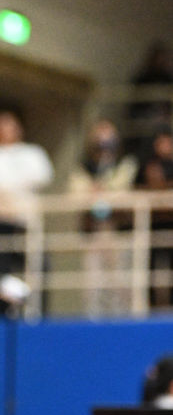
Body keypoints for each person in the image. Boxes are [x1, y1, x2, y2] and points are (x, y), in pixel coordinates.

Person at [0, 110, 53, 313]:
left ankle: (38, 314)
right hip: (0, 222)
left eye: (11, 126)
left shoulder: (33, 152)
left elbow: (44, 175)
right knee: (2, 273)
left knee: (40, 266)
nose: (7, 131)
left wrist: (14, 181)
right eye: (2, 127)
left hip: (27, 222)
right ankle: (3, 314)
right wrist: (24, 181)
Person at [67, 119, 136, 317]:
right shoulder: (83, 168)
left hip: (117, 230)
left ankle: (121, 319)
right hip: (93, 230)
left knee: (120, 280)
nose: (104, 147)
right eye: (99, 141)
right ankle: (93, 320)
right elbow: (75, 195)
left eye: (108, 141)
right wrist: (93, 191)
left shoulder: (124, 164)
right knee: (92, 282)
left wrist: (105, 189)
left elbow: (123, 191)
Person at [134, 126, 173, 308]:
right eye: (160, 141)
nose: (164, 145)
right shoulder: (147, 164)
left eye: (167, 141)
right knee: (149, 266)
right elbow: (135, 188)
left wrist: (163, 186)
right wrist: (153, 186)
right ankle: (150, 304)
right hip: (152, 223)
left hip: (171, 223)